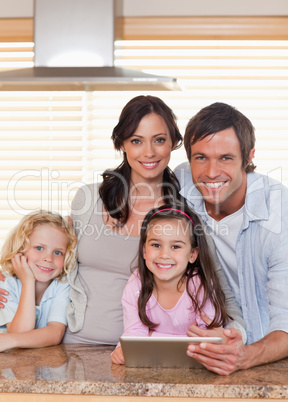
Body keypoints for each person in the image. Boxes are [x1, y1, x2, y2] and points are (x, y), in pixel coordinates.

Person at [0, 96, 245, 347]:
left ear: (173, 143)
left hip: (142, 353)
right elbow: (49, 254)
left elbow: (222, 295)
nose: (149, 152)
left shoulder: (184, 217)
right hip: (70, 347)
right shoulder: (88, 199)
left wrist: (237, 334)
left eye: (159, 140)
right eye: (136, 141)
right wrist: (8, 278)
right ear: (121, 145)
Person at [174, 102, 288, 375]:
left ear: (248, 157)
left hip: (267, 353)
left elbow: (286, 321)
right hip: (211, 343)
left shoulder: (279, 213)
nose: (211, 172)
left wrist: (245, 356)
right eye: (201, 157)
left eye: (226, 158)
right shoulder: (181, 183)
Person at [111, 204, 235, 365]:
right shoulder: (136, 283)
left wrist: (151, 336)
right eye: (156, 245)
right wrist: (123, 350)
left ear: (192, 254)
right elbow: (134, 335)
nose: (164, 255)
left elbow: (206, 341)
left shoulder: (200, 287)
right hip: (151, 367)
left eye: (175, 246)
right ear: (144, 251)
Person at [0, 210, 77, 351]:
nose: (48, 258)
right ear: (20, 250)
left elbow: (55, 333)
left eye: (58, 252)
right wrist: (28, 282)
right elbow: (21, 332)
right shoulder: (7, 283)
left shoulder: (62, 285)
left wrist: (7, 340)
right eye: (39, 248)